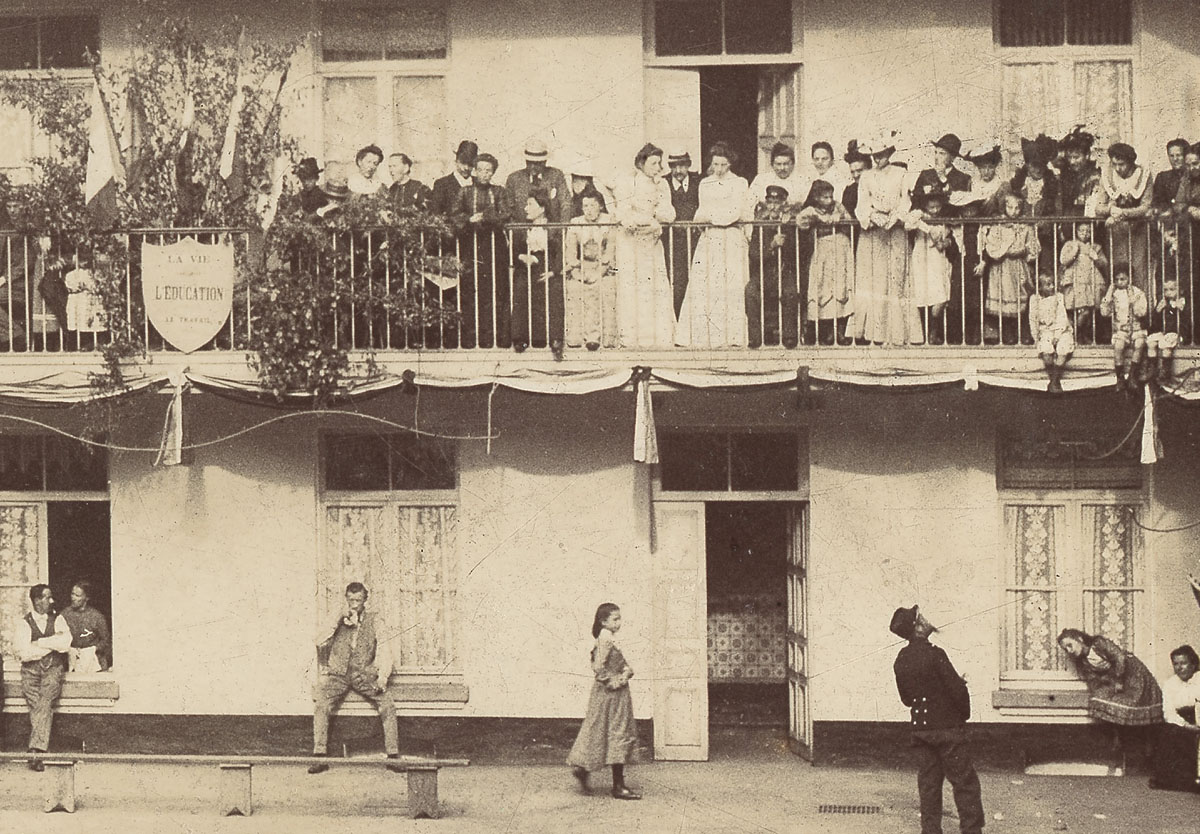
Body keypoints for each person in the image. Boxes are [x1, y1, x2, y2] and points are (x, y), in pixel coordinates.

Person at [890, 605, 984, 834]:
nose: (925, 617)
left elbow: (907, 699)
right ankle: (971, 831)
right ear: (919, 627)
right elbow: (957, 692)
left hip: (921, 731)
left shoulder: (901, 658)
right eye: (920, 616)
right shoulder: (936, 654)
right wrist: (962, 712)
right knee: (965, 784)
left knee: (929, 785)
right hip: (947, 730)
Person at [309, 582, 402, 774]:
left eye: (358, 600)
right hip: (339, 675)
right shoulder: (337, 619)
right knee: (321, 703)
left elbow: (385, 649)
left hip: (363, 674)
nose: (354, 604)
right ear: (346, 599)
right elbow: (319, 641)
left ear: (365, 600)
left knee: (387, 704)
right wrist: (338, 619)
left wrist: (382, 677)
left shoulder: (375, 620)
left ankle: (393, 756)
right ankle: (319, 756)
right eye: (351, 600)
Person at [675, 142, 750, 348]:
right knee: (706, 286)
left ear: (730, 163)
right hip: (709, 240)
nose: (718, 169)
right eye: (715, 164)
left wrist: (712, 217)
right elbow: (700, 213)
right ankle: (704, 336)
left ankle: (731, 337)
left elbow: (735, 212)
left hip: (731, 239)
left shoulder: (740, 183)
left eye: (723, 164)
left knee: (730, 286)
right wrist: (709, 218)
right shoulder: (705, 183)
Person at [1057, 628, 1163, 772]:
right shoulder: (1083, 662)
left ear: (1080, 639)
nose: (1069, 651)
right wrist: (1106, 685)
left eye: (1070, 645)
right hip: (1114, 680)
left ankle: (1147, 743)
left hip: (1132, 674)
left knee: (1135, 702)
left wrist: (1118, 680)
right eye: (1065, 649)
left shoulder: (1098, 643)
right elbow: (1094, 681)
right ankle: (1117, 736)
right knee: (1098, 699)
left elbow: (1119, 658)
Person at [851, 131, 922, 345]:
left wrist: (895, 217)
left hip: (896, 230)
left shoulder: (900, 173)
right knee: (877, 280)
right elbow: (862, 203)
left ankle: (900, 334)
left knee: (897, 279)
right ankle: (877, 334)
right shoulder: (866, 176)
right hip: (874, 233)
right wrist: (872, 215)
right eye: (875, 156)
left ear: (889, 153)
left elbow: (905, 200)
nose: (878, 159)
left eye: (882, 154)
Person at [567, 602, 641, 800]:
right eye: (615, 619)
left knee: (605, 733)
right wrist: (614, 681)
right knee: (616, 734)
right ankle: (618, 786)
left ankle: (583, 771)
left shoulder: (610, 639)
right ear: (603, 621)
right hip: (610, 694)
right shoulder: (605, 639)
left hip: (616, 695)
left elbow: (616, 663)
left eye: (620, 619)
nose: (619, 623)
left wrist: (626, 671)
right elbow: (598, 667)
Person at [612, 143, 676, 348]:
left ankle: (657, 337)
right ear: (642, 163)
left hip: (652, 245)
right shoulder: (628, 183)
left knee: (655, 288)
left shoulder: (662, 186)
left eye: (659, 163)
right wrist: (645, 218)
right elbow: (623, 212)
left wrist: (654, 214)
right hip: (631, 245)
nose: (658, 167)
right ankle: (632, 338)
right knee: (633, 289)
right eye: (653, 163)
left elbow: (670, 214)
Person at [453, 152, 513, 348]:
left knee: (496, 291)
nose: (485, 174)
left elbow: (506, 214)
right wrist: (469, 220)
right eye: (481, 170)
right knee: (470, 291)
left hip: (494, 247)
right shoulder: (465, 192)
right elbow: (454, 215)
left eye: (489, 170)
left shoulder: (499, 191)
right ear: (475, 171)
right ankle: (472, 338)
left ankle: (494, 338)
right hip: (470, 246)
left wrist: (485, 217)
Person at [14, 584, 73, 771]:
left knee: (44, 703)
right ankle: (36, 752)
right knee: (39, 707)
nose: (51, 601)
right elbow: (23, 652)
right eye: (48, 597)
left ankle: (36, 751)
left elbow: (65, 644)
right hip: (30, 672)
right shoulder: (23, 623)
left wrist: (39, 643)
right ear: (37, 600)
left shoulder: (58, 619)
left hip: (53, 669)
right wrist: (51, 645)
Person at [977, 193, 1039, 345]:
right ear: (1004, 207)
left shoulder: (1026, 225)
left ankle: (1022, 332)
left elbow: (1033, 245)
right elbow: (992, 246)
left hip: (1018, 265)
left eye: (1017, 208)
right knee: (1003, 297)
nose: (1014, 211)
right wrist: (1005, 250)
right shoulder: (999, 225)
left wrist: (1025, 251)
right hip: (1002, 267)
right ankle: (1006, 332)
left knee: (1020, 296)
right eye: (1010, 207)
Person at [510, 189, 564, 358]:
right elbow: (513, 250)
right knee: (521, 287)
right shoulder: (523, 228)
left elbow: (560, 252)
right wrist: (521, 256)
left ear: (542, 208)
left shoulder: (553, 228)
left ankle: (555, 339)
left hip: (548, 267)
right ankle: (520, 338)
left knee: (554, 290)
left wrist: (552, 271)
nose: (526, 208)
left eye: (530, 204)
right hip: (526, 267)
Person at [798, 180, 853, 345]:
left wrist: (841, 216)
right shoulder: (810, 209)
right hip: (822, 249)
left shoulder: (838, 206)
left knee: (840, 287)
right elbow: (800, 221)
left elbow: (849, 219)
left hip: (840, 248)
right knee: (822, 287)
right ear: (816, 197)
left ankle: (840, 330)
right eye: (824, 197)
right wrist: (815, 218)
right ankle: (825, 330)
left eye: (830, 196)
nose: (829, 200)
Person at [747, 184, 800, 348]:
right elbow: (754, 254)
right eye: (770, 202)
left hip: (784, 271)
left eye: (777, 203)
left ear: (784, 204)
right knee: (750, 291)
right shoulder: (760, 225)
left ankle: (789, 337)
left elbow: (799, 252)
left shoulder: (791, 223)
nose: (773, 207)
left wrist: (786, 229)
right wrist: (771, 245)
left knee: (790, 292)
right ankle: (755, 337)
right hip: (764, 273)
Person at [1095, 142, 1151, 293]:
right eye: (1114, 164)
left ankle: (1140, 312)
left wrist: (1124, 213)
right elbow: (1098, 207)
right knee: (1116, 272)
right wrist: (1111, 209)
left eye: (1122, 164)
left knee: (1138, 271)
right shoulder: (1107, 176)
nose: (1118, 168)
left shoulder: (1143, 175)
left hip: (1137, 233)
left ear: (1131, 162)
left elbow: (1145, 207)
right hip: (1115, 233)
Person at [905, 186, 958, 345]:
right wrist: (928, 228)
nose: (935, 210)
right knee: (923, 295)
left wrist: (946, 242)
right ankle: (927, 333)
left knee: (940, 296)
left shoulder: (944, 219)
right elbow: (908, 224)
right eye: (931, 207)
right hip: (922, 259)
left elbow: (950, 237)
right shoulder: (918, 215)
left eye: (937, 206)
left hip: (938, 259)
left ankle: (934, 329)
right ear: (925, 205)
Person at [564, 192, 616, 350]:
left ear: (600, 205)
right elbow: (570, 251)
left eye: (593, 205)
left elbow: (610, 250)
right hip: (582, 267)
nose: (589, 210)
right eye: (585, 206)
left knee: (604, 288)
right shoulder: (576, 222)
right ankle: (576, 338)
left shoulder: (608, 221)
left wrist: (599, 272)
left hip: (603, 268)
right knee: (574, 289)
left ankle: (602, 339)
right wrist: (576, 272)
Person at [1151, 644, 1200, 792]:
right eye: (1176, 664)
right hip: (1182, 723)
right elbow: (1169, 712)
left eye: (1183, 663)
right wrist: (1186, 726)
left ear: (1193, 664)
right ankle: (1179, 780)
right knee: (1169, 732)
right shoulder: (1170, 684)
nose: (1179, 668)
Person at [665, 148, 702, 318]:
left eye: (682, 166)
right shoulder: (663, 183)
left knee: (697, 283)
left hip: (696, 241)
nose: (678, 171)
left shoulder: (699, 182)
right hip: (671, 243)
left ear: (689, 165)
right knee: (676, 284)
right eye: (674, 166)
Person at [1100, 263, 1148, 391]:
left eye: (1123, 279)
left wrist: (1133, 302)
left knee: (1139, 343)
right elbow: (1104, 313)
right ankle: (1120, 378)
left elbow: (1142, 312)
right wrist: (1109, 294)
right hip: (1121, 329)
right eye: (1117, 279)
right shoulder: (1114, 294)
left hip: (1136, 328)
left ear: (1129, 278)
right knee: (1119, 346)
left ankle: (1133, 375)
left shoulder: (1138, 293)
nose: (1120, 282)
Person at [1059, 221, 1109, 345]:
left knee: (1089, 311)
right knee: (1078, 309)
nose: (1085, 234)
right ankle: (1075, 334)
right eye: (1082, 231)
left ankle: (1081, 334)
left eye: (1088, 231)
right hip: (1076, 282)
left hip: (1091, 282)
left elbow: (1104, 263)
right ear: (1076, 231)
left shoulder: (1096, 247)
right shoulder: (1070, 244)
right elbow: (1063, 260)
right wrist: (1074, 252)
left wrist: (1095, 258)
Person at [505, 139, 572, 224]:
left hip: (552, 231)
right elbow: (509, 208)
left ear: (544, 162)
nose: (532, 167)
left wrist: (562, 230)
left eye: (537, 163)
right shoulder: (514, 179)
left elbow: (566, 204)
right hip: (521, 232)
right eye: (529, 162)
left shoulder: (556, 176)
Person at [1029, 271, 1074, 393]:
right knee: (1046, 351)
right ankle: (1054, 381)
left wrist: (1058, 335)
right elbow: (1033, 319)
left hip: (1061, 329)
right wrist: (1035, 337)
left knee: (1062, 350)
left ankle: (1054, 382)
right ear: (1040, 287)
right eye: (1048, 284)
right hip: (1045, 331)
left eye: (1053, 283)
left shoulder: (1059, 297)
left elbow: (1062, 316)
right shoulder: (1034, 299)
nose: (1052, 287)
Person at [912, 134, 971, 217]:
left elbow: (958, 206)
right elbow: (915, 202)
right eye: (936, 152)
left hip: (952, 224)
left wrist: (943, 178)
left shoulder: (963, 178)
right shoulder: (926, 175)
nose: (936, 157)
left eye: (942, 154)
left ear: (952, 158)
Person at [60, 580, 111, 673]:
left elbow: (106, 640)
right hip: (71, 661)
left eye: (77, 596)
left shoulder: (96, 616)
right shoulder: (64, 614)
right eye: (72, 594)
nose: (73, 598)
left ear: (86, 598)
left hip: (93, 663)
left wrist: (93, 649)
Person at [1146, 278, 1189, 383]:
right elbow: (1155, 324)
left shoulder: (1185, 302)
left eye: (1172, 289)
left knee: (1166, 345)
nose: (1168, 293)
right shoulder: (1164, 302)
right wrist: (1157, 311)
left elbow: (1190, 321)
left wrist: (1182, 310)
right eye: (1165, 290)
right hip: (1164, 332)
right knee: (1151, 341)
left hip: (1178, 332)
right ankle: (1152, 369)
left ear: (1180, 290)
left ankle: (1165, 370)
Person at [1059, 126, 1100, 217]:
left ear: (1087, 155)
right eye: (1069, 157)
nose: (1072, 162)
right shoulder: (1065, 176)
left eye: (1076, 157)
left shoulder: (1095, 176)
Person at [431, 140, 478, 217]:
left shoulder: (479, 183)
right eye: (463, 162)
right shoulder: (442, 184)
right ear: (456, 161)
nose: (466, 168)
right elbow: (436, 215)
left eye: (470, 164)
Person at [1152, 138, 1190, 214]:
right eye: (1171, 156)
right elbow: (1157, 202)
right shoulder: (1162, 178)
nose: (1175, 159)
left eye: (1178, 155)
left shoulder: (1193, 177)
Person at [841, 140, 870, 217]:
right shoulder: (849, 191)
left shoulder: (879, 186)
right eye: (852, 172)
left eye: (859, 170)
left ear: (869, 169)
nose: (856, 175)